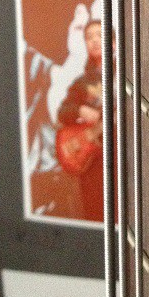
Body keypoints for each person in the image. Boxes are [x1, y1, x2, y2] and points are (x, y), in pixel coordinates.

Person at [57, 20, 105, 223]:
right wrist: (81, 110)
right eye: (89, 37)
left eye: (100, 35)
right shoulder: (83, 82)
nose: (94, 40)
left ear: (113, 42)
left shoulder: (128, 74)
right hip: (94, 162)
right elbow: (63, 112)